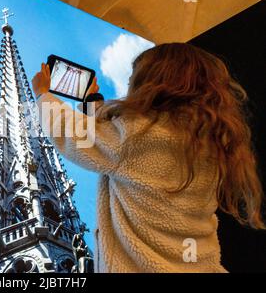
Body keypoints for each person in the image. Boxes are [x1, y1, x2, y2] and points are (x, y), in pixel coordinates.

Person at [31, 43, 265, 273]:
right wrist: (92, 103)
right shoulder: (210, 145)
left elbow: (76, 137)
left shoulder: (135, 135)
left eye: (134, 77)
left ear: (149, 83)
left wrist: (43, 95)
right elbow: (102, 137)